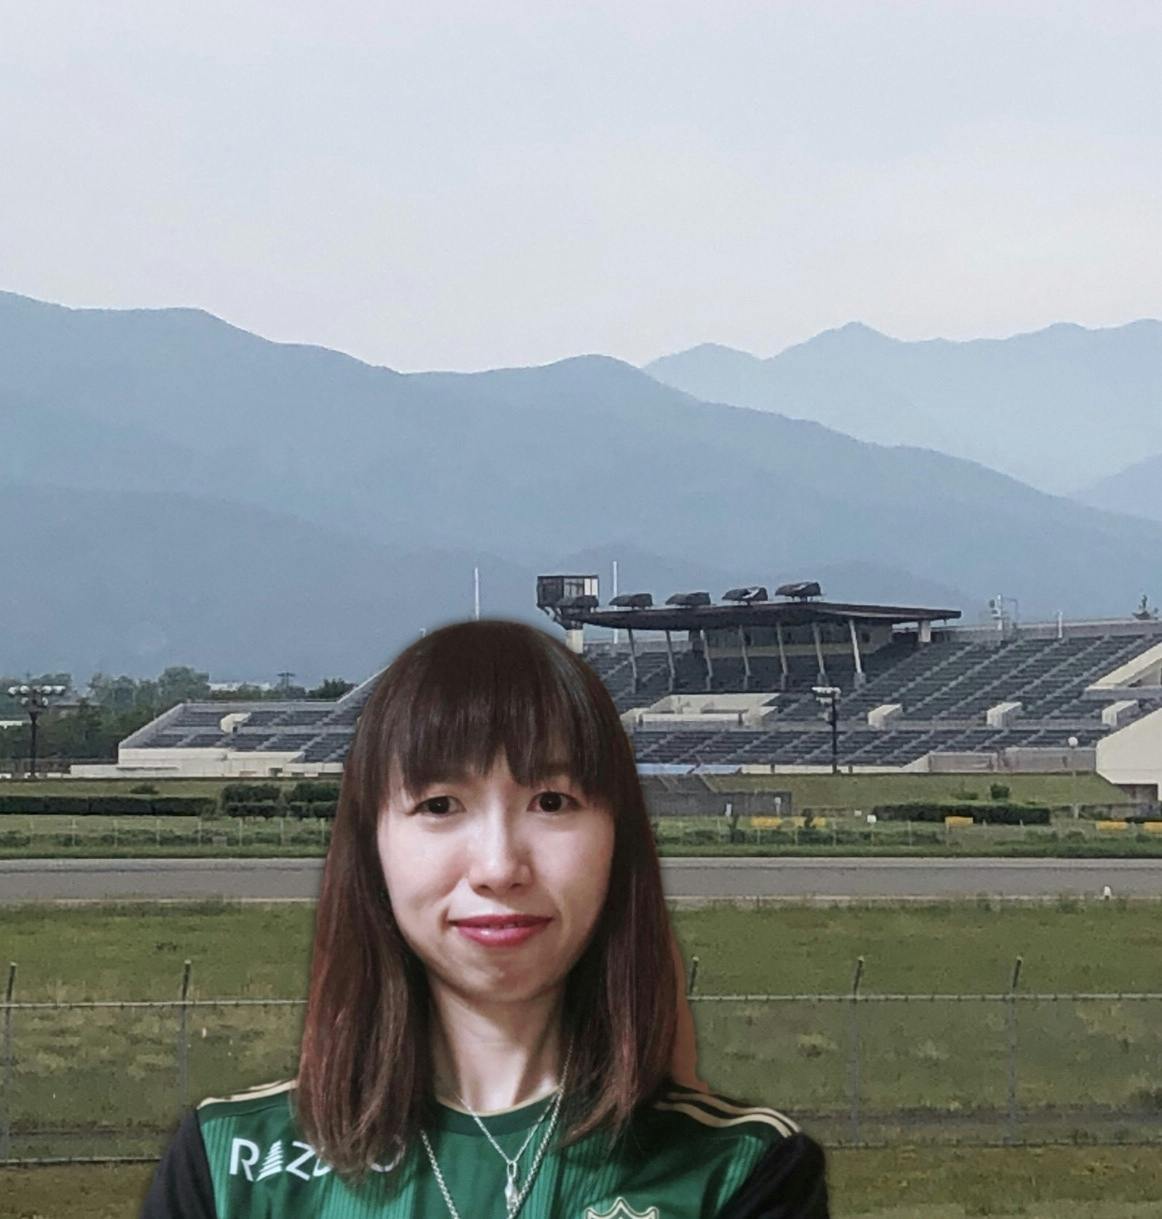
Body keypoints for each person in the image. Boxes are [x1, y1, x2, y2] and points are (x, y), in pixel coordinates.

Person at [142, 619, 829, 1218]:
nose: (499, 867)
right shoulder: (230, 1166)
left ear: (618, 843)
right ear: (371, 847)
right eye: (440, 805)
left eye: (552, 802)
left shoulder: (740, 1171)